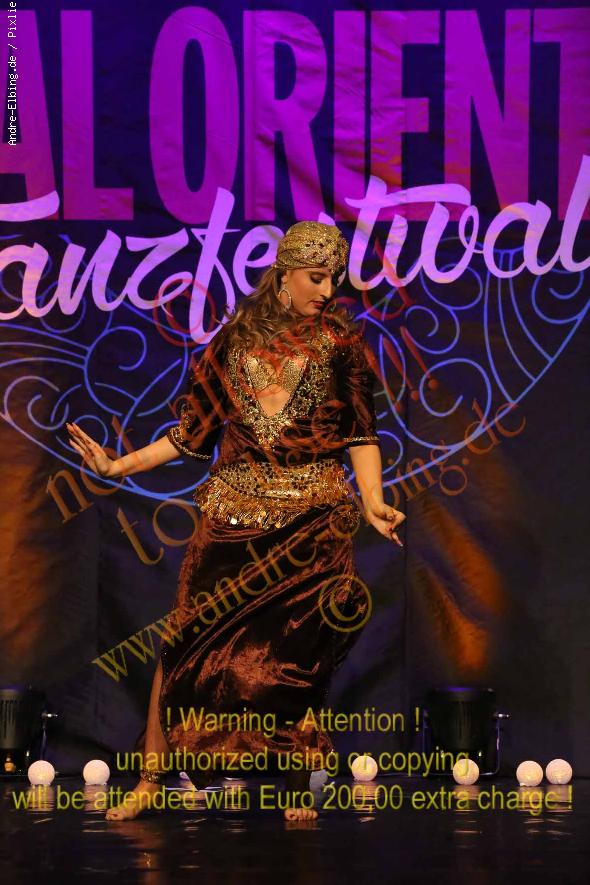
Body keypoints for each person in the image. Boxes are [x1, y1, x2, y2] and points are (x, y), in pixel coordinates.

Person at [66, 221, 406, 821]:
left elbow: (361, 433)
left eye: (333, 279)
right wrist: (119, 465)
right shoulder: (230, 344)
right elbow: (191, 435)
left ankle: (297, 782)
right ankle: (151, 778)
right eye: (316, 278)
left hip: (313, 521)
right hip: (231, 522)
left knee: (299, 652)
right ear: (284, 275)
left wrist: (373, 499)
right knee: (185, 641)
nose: (327, 291)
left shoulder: (341, 344)